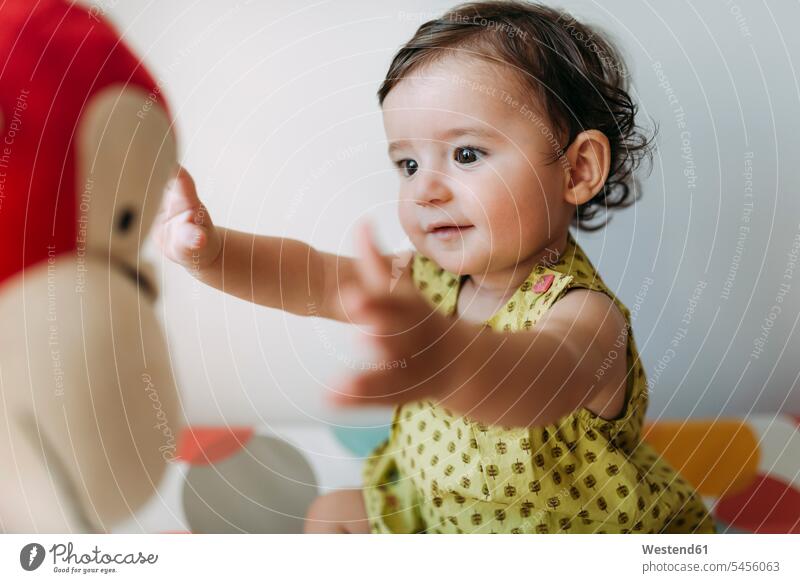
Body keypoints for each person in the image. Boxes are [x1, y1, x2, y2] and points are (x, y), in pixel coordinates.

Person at [155, 1, 715, 534]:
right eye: (408, 163)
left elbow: (536, 378)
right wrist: (214, 253)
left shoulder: (585, 319)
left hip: (552, 538)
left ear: (577, 170)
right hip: (435, 511)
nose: (424, 188)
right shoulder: (428, 281)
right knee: (332, 515)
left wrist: (446, 358)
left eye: (466, 154)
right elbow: (308, 275)